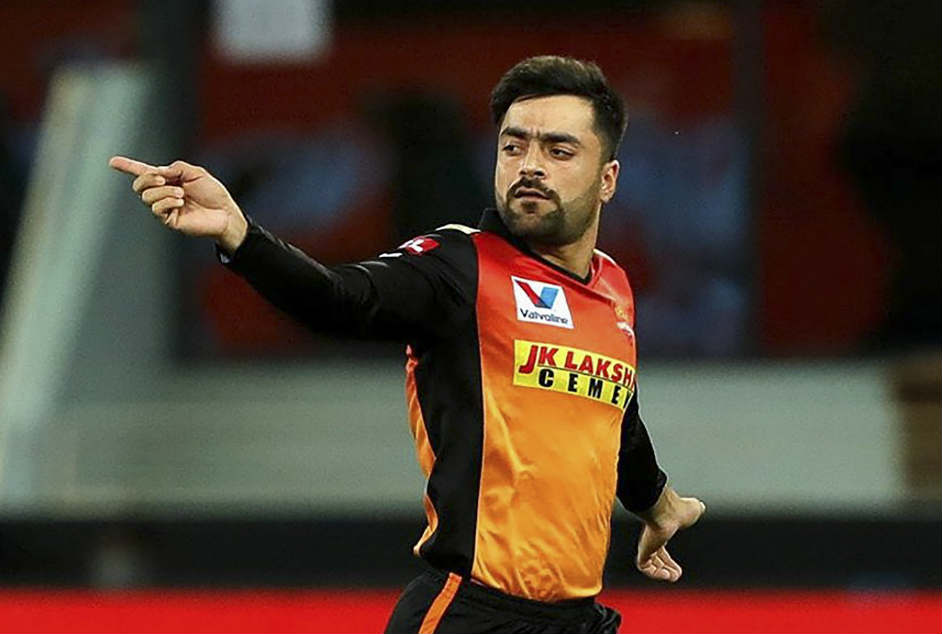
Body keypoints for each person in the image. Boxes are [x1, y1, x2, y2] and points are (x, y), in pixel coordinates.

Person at [110, 55, 705, 634]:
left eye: (558, 150)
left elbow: (612, 411)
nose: (529, 166)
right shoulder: (459, 266)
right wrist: (240, 236)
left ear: (608, 179)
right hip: (473, 613)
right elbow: (340, 299)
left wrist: (658, 503)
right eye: (513, 146)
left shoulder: (612, 286)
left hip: (577, 619)